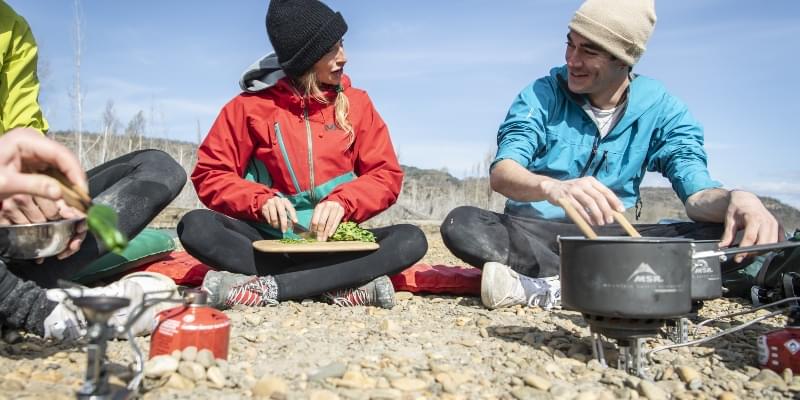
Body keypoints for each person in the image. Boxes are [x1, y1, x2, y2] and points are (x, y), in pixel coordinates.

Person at [440, 0, 782, 310]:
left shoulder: (662, 108)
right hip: (535, 235)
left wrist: (740, 199)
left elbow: (696, 193)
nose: (572, 60)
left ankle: (546, 286)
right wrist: (553, 189)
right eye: (570, 44)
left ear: (625, 58)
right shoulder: (541, 94)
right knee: (463, 224)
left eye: (589, 51)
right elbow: (503, 171)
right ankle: (629, 283)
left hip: (614, 241)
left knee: (739, 234)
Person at [178, 0, 427, 310]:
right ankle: (337, 285)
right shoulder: (247, 107)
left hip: (337, 244)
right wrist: (260, 199)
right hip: (269, 242)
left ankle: (267, 288)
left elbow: (385, 176)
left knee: (410, 239)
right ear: (305, 60)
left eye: (342, 45)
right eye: (331, 50)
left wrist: (342, 202)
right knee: (196, 227)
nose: (344, 58)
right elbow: (211, 174)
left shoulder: (359, 103)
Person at [0, 2, 185, 340]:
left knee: (159, 169)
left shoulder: (11, 26)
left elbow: (23, 135)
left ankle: (22, 286)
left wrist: (54, 193)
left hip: (12, 228)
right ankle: (34, 307)